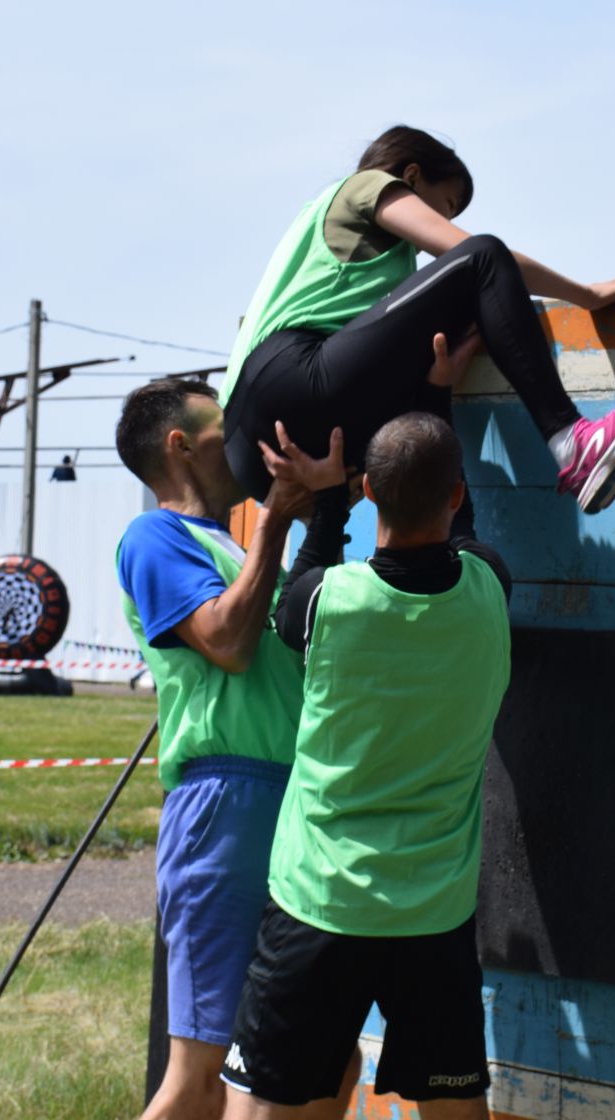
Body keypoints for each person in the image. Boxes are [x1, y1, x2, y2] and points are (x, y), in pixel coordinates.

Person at [220, 412, 513, 1120]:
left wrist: (327, 498)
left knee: (265, 1108)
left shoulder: (327, 602)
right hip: (433, 910)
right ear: (455, 494)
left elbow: (303, 582)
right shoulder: (490, 589)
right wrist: (442, 398)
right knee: (456, 1110)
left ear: (372, 494)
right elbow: (462, 536)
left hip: (320, 900)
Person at [220, 125, 615, 523]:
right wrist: (584, 295)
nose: (447, 220)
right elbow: (476, 254)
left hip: (250, 446)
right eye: (447, 205)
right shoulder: (367, 186)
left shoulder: (319, 233)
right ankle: (572, 440)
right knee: (484, 257)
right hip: (287, 379)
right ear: (411, 177)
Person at [114, 378, 347, 1120]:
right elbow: (227, 642)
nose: (242, 436)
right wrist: (275, 521)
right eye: (225, 426)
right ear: (179, 446)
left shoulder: (230, 546)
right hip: (226, 803)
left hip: (291, 799)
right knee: (203, 1075)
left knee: (307, 1061)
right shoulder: (153, 537)